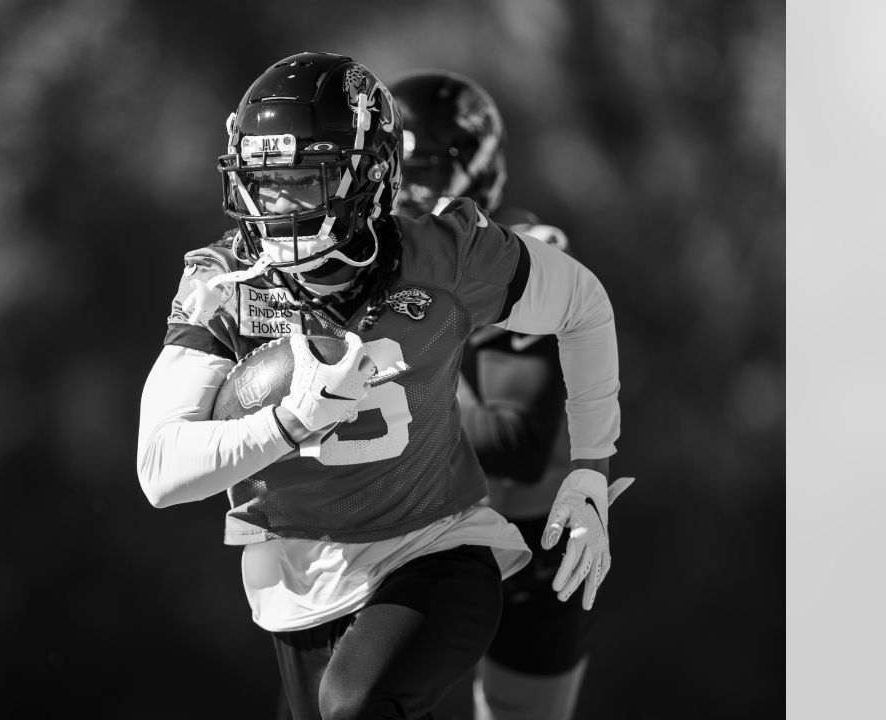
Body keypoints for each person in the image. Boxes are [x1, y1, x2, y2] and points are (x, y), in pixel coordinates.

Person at [136, 52, 625, 720]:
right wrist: (288, 424)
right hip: (303, 572)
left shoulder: (446, 254)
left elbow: (583, 306)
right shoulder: (222, 285)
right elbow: (160, 471)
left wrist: (592, 467)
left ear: (364, 175)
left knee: (359, 708)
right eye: (264, 183)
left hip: (437, 546)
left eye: (304, 182)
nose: (278, 208)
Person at [390, 70, 632, 720]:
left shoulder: (520, 262)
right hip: (412, 538)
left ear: (473, 171)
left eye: (419, 172)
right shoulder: (366, 264)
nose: (398, 191)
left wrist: (386, 392)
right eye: (387, 171)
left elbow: (518, 442)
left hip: (529, 543)